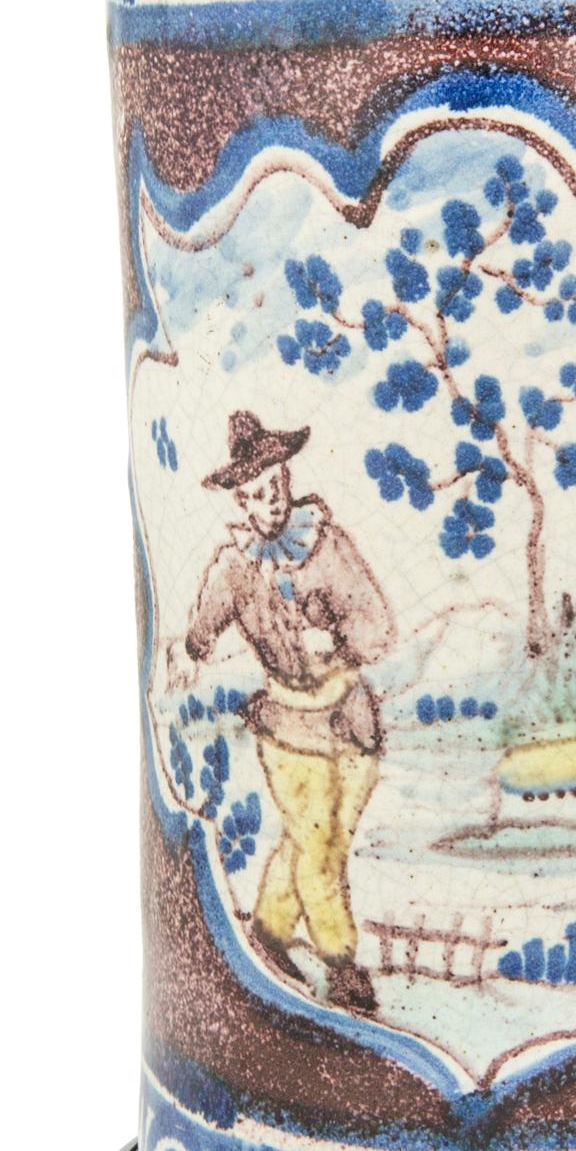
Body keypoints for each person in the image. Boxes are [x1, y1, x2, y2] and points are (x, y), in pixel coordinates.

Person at [171, 410, 394, 1013]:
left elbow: (376, 624)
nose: (267, 502)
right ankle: (342, 968)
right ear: (240, 500)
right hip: (289, 725)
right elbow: (202, 629)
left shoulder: (328, 544)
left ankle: (269, 935)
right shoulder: (236, 567)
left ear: (287, 479)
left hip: (351, 717)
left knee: (318, 841)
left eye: (273, 486)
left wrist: (339, 642)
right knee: (318, 845)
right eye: (253, 494)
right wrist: (188, 655)